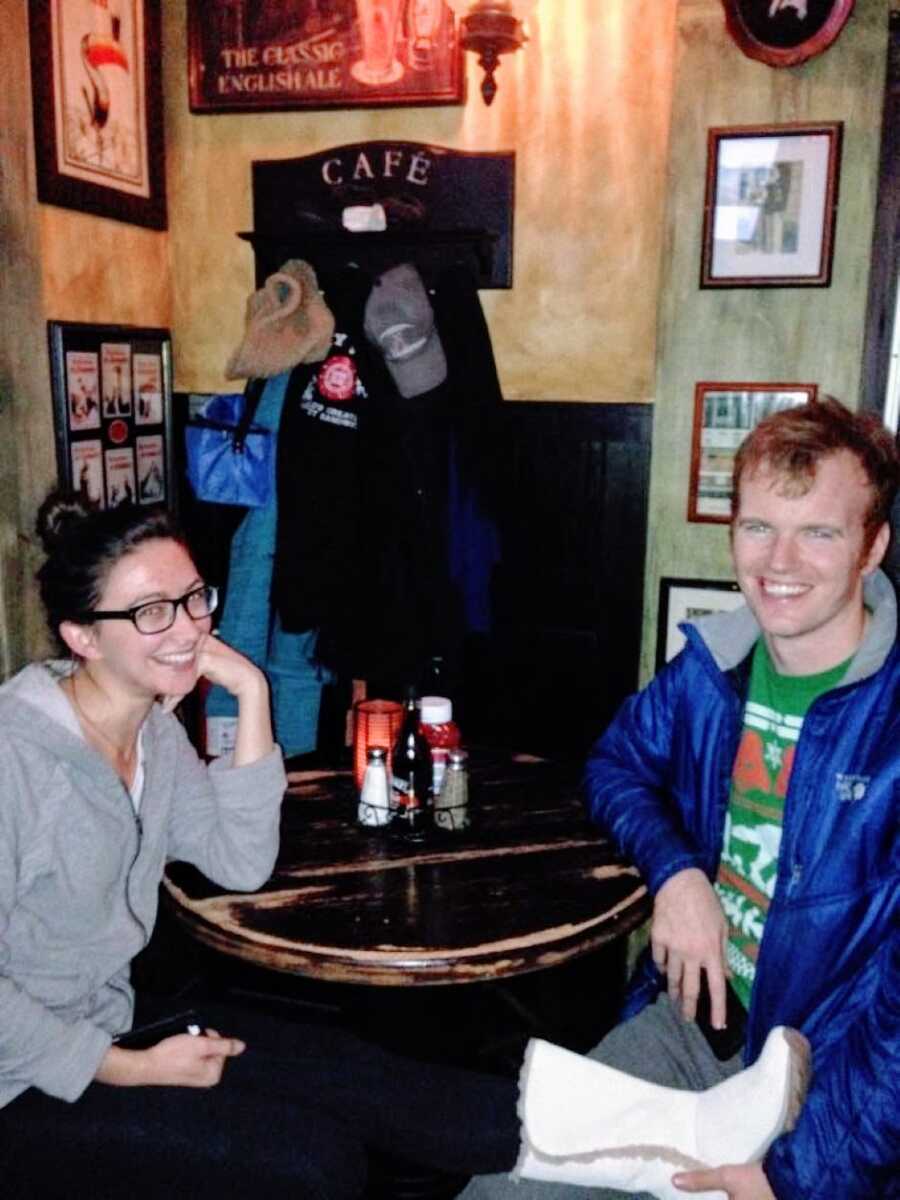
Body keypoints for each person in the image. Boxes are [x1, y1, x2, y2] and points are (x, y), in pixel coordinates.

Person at [0, 488, 844, 1197]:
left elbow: (239, 861)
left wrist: (250, 689)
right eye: (151, 611)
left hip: (116, 1020)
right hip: (27, 1082)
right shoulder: (16, 757)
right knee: (318, 1162)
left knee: (382, 1081)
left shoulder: (150, 732)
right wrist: (123, 1068)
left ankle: (685, 1133)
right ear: (81, 635)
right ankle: (678, 1137)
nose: (187, 627)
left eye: (193, 599)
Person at [461, 397, 899, 1200]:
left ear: (873, 547)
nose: (781, 560)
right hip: (697, 1028)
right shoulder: (713, 667)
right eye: (759, 527)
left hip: (834, 1084)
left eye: (820, 533)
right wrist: (677, 873)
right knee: (500, 1189)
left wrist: (799, 1178)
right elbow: (615, 765)